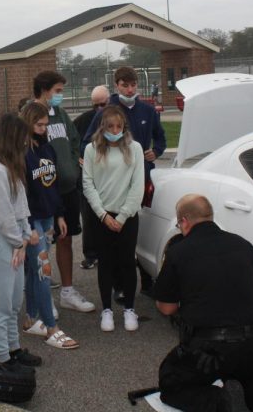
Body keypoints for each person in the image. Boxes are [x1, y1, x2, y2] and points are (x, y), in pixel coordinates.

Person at [153, 194, 253, 412]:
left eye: (179, 224)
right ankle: (251, 387)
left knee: (172, 384)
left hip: (209, 351)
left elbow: (166, 307)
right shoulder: (244, 245)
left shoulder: (178, 252)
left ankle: (223, 402)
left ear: (184, 221)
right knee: (241, 370)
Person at [82, 67, 166, 298]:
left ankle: (146, 278)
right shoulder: (108, 112)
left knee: (136, 228)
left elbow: (160, 137)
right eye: (124, 85)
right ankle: (119, 286)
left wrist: (156, 151)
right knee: (114, 239)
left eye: (133, 85)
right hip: (113, 183)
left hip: (141, 178)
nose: (129, 89)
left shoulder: (148, 111)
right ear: (116, 86)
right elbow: (87, 142)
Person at [0, 113, 42, 370]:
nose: (26, 144)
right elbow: (3, 215)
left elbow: (20, 208)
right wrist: (19, 242)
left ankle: (14, 349)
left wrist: (25, 235)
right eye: (22, 139)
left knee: (14, 303)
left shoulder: (7, 167)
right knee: (1, 306)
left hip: (13, 242)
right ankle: (2, 357)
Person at [31, 70, 95, 314]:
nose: (61, 95)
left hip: (67, 189)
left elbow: (74, 140)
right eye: (57, 91)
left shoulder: (60, 114)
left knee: (65, 239)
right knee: (42, 245)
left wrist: (70, 165)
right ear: (44, 90)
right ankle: (42, 294)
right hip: (45, 191)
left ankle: (67, 292)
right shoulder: (31, 115)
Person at [20, 102, 79, 350]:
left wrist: (59, 216)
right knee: (43, 271)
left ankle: (31, 318)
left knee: (36, 271)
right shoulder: (21, 154)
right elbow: (22, 194)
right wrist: (29, 226)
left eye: (45, 125)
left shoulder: (48, 150)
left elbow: (51, 186)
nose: (43, 129)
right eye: (38, 124)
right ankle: (50, 326)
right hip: (31, 222)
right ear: (28, 124)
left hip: (47, 218)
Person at [82, 105, 145, 332]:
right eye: (110, 126)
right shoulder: (91, 149)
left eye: (119, 126)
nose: (115, 130)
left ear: (124, 127)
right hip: (102, 216)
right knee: (105, 263)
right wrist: (102, 214)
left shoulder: (134, 148)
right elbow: (88, 183)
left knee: (127, 262)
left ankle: (129, 309)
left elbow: (137, 185)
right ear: (103, 127)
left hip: (127, 217)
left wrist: (123, 215)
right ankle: (106, 310)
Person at [72, 85, 110, 270]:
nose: (99, 110)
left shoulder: (114, 120)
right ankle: (91, 254)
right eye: (95, 105)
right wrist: (77, 156)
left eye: (103, 105)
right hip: (87, 175)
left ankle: (108, 252)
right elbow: (72, 142)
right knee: (88, 216)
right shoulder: (83, 120)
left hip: (108, 176)